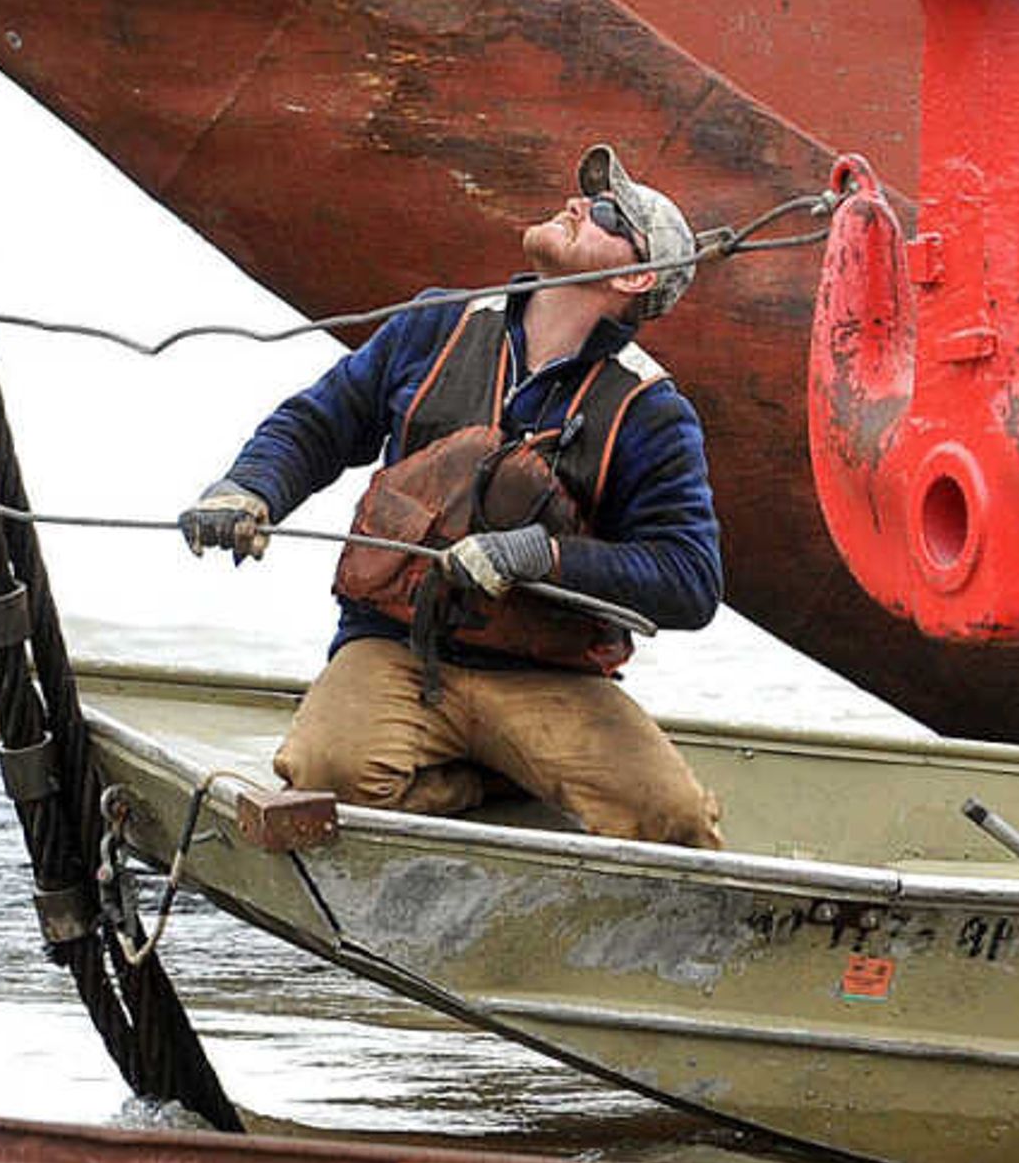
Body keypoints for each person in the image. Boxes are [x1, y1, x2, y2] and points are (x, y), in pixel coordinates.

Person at [178, 147, 729, 847]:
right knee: (325, 777)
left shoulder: (651, 410)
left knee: (674, 821)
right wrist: (248, 489)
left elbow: (690, 580)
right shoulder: (435, 325)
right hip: (400, 652)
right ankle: (496, 783)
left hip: (544, 678)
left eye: (607, 212)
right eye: (585, 196)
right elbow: (319, 423)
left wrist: (541, 557)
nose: (576, 204)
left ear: (637, 276)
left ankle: (504, 770)